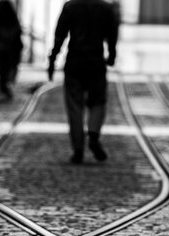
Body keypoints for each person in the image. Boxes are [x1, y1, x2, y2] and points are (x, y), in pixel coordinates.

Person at [48, 0, 119, 164]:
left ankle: (78, 148)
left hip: (75, 62)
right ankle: (93, 136)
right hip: (96, 62)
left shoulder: (70, 6)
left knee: (74, 105)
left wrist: (53, 58)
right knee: (98, 101)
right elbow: (112, 34)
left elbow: (60, 34)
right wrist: (112, 54)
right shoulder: (105, 8)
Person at [0, 0, 23, 100]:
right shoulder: (15, 23)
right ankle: (7, 88)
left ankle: (5, 90)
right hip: (11, 52)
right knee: (9, 71)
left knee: (2, 72)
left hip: (3, 51)